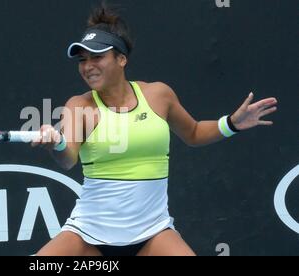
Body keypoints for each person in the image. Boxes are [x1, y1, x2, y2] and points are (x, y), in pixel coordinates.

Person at [31, 3, 278, 256]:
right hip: (89, 239)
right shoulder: (79, 105)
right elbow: (67, 159)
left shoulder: (159, 95)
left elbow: (192, 133)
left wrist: (232, 123)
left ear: (121, 59)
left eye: (97, 57)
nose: (88, 66)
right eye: (82, 60)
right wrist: (57, 144)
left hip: (152, 235)